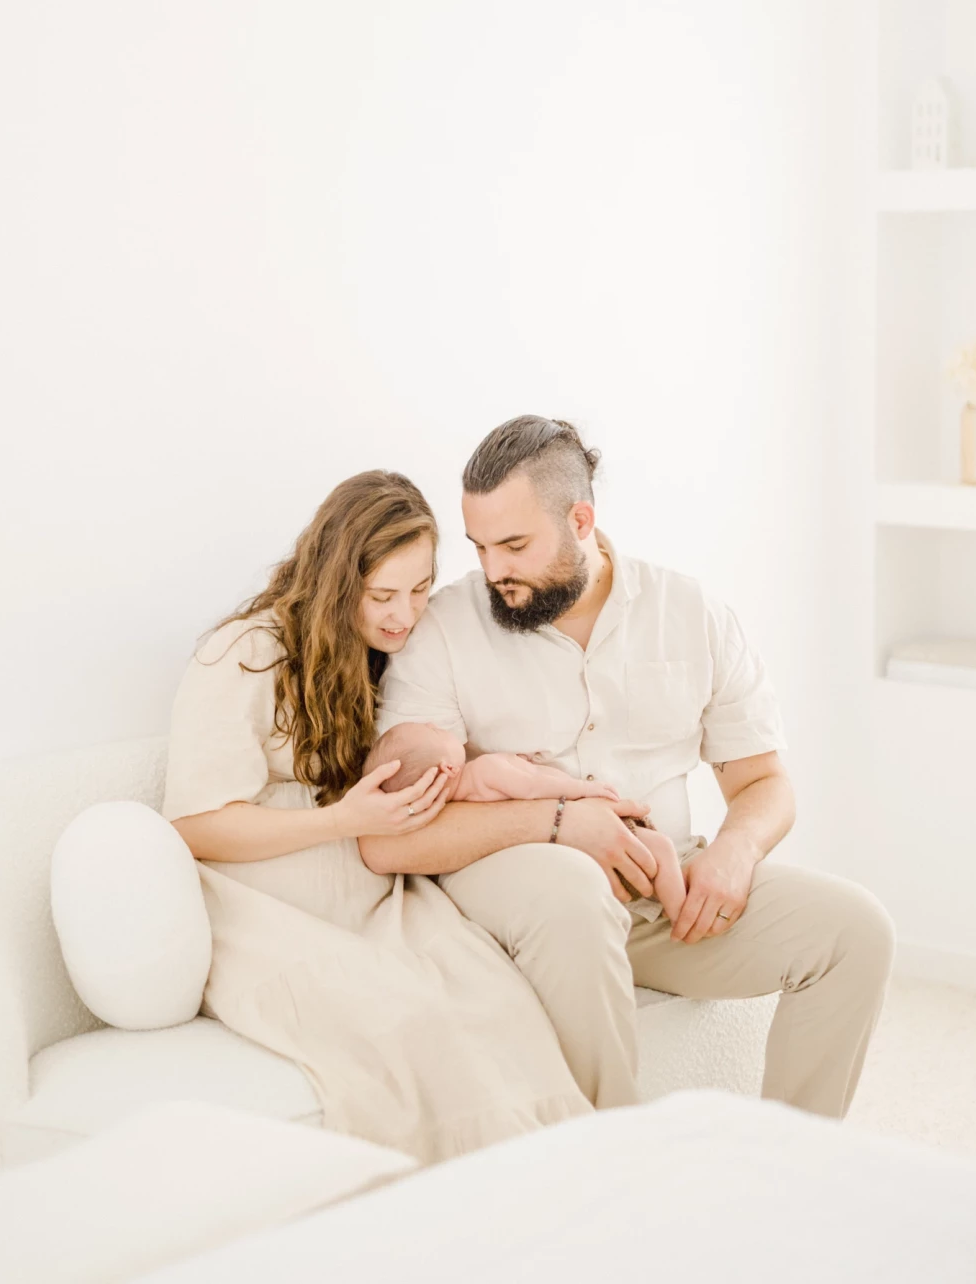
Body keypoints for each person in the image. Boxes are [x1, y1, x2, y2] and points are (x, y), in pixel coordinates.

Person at [361, 416, 897, 1120]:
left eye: (514, 546)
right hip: (522, 894)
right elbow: (397, 827)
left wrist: (735, 852)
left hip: (660, 888)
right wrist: (561, 822)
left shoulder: (690, 612)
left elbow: (763, 782)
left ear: (581, 520)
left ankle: (790, 1159)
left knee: (856, 932)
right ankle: (614, 1152)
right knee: (574, 890)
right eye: (480, 547)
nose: (492, 571)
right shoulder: (445, 627)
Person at [162, 469, 590, 1163]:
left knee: (497, 1000)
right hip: (261, 910)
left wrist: (482, 772)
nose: (405, 614)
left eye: (420, 590)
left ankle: (551, 1181)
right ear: (335, 582)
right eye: (382, 595)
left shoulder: (382, 656)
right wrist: (343, 821)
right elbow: (194, 825)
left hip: (375, 902)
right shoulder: (245, 654)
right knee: (406, 1023)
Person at [362, 720, 687, 921]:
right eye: (434, 730)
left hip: (568, 848)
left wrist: (518, 762)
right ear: (447, 768)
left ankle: (675, 907)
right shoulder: (485, 770)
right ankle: (682, 914)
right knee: (659, 848)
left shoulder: (464, 797)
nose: (437, 724)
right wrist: (584, 789)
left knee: (649, 868)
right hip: (588, 823)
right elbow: (534, 787)